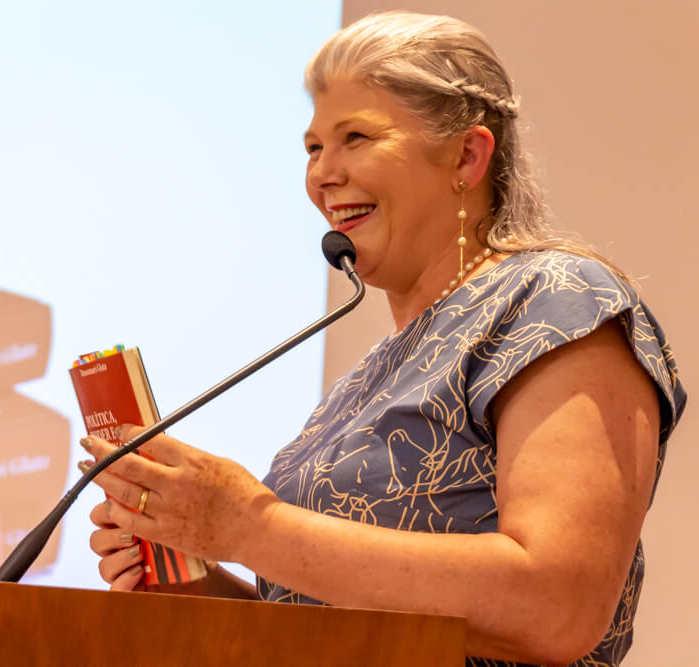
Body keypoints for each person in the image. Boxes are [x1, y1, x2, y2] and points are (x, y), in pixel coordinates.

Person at [79, 11, 687, 667]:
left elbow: (556, 605)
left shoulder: (556, 300)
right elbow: (342, 624)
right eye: (313, 148)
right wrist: (199, 580)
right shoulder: (360, 383)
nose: (323, 175)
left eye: (356, 137)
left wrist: (249, 525)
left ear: (466, 154)